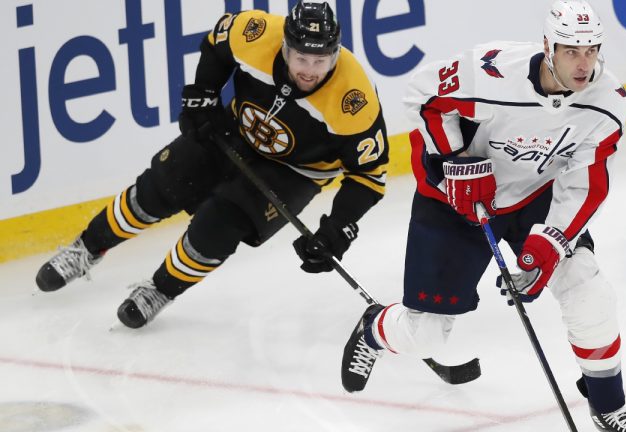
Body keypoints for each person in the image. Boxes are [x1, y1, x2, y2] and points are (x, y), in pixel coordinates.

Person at [340, 1, 626, 431]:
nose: (584, 64)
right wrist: (456, 158)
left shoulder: (607, 103)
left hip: (534, 194)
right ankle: (375, 328)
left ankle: (609, 406)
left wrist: (550, 244)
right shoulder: (491, 70)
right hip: (455, 200)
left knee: (587, 287)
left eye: (591, 51)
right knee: (427, 335)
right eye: (571, 51)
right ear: (548, 47)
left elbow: (587, 183)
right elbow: (422, 95)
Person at [35, 1, 389, 329]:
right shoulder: (256, 31)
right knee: (157, 191)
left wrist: (338, 228)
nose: (309, 71)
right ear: (284, 46)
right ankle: (86, 248)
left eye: (320, 61)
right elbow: (218, 44)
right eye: (301, 59)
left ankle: (160, 290)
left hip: (295, 171)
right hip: (233, 130)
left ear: (335, 54)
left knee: (217, 230)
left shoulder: (354, 101)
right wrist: (203, 94)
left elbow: (370, 177)